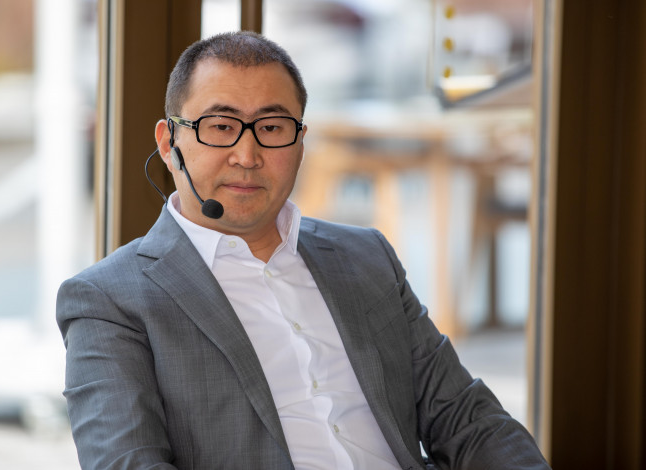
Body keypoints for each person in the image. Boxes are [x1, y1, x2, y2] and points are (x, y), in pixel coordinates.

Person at [57, 31, 550, 470]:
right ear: (169, 144)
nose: (247, 156)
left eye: (272, 128)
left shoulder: (367, 257)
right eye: (220, 126)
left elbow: (467, 420)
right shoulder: (109, 300)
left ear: (300, 143)